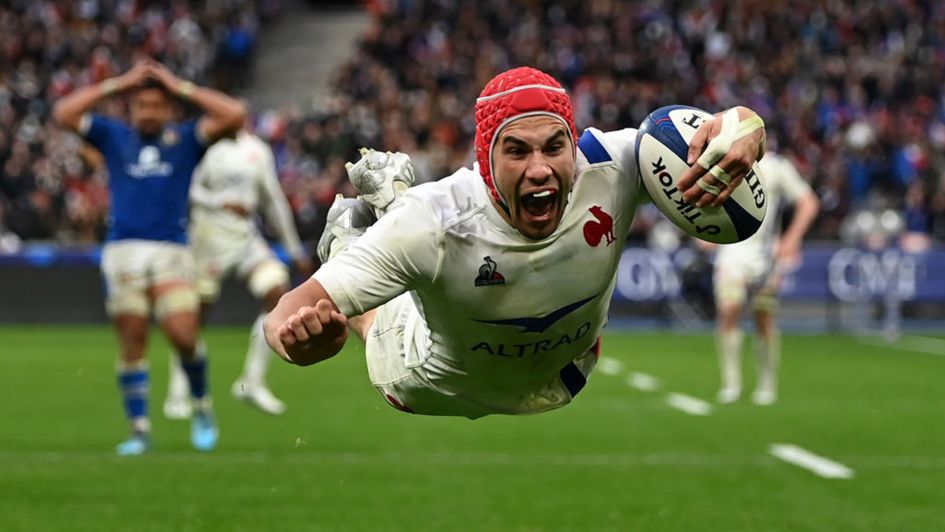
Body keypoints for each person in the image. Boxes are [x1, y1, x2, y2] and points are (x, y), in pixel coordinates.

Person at [264, 66, 766, 418]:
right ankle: (352, 239)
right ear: (486, 163)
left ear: (574, 142)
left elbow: (728, 125)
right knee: (384, 315)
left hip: (565, 374)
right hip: (434, 383)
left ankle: (389, 202)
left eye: (554, 146)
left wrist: (747, 127)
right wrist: (298, 341)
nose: (540, 168)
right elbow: (288, 310)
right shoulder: (436, 221)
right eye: (517, 151)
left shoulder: (616, 164)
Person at [52, 60, 247, 453]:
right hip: (123, 251)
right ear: (131, 107)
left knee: (183, 334)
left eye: (157, 105)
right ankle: (139, 430)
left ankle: (201, 405)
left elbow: (236, 114)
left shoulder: (187, 138)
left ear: (168, 108)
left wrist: (180, 86)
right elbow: (64, 112)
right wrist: (118, 84)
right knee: (133, 341)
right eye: (141, 105)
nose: (148, 112)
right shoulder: (112, 135)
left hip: (170, 250)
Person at [163, 122, 314, 419]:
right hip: (209, 239)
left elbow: (273, 199)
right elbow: (185, 188)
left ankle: (252, 381)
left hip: (246, 238)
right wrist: (221, 202)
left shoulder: (257, 149)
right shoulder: (204, 147)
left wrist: (294, 249)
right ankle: (179, 391)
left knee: (276, 291)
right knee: (194, 319)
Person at [712, 151, 820, 405]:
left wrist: (792, 238)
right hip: (732, 252)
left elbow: (809, 202)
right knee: (729, 310)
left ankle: (766, 383)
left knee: (763, 316)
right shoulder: (721, 160)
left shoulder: (777, 166)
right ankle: (731, 383)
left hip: (765, 257)